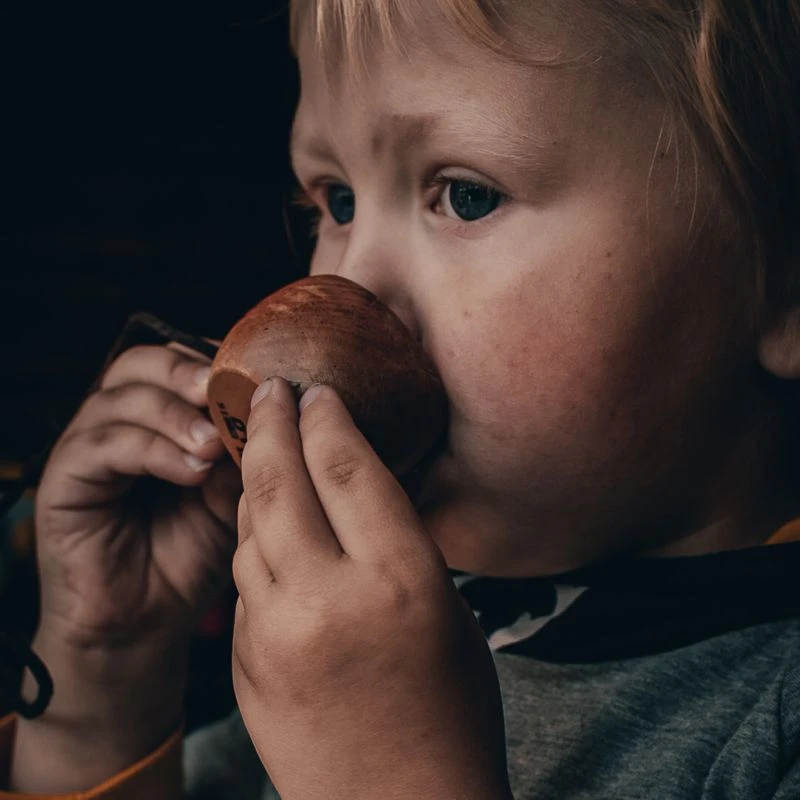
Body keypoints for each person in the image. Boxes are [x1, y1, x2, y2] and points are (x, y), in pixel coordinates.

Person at [2, 0, 800, 797]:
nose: (349, 288)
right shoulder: (345, 635)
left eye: (467, 197)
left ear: (782, 278)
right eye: (336, 202)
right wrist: (108, 682)